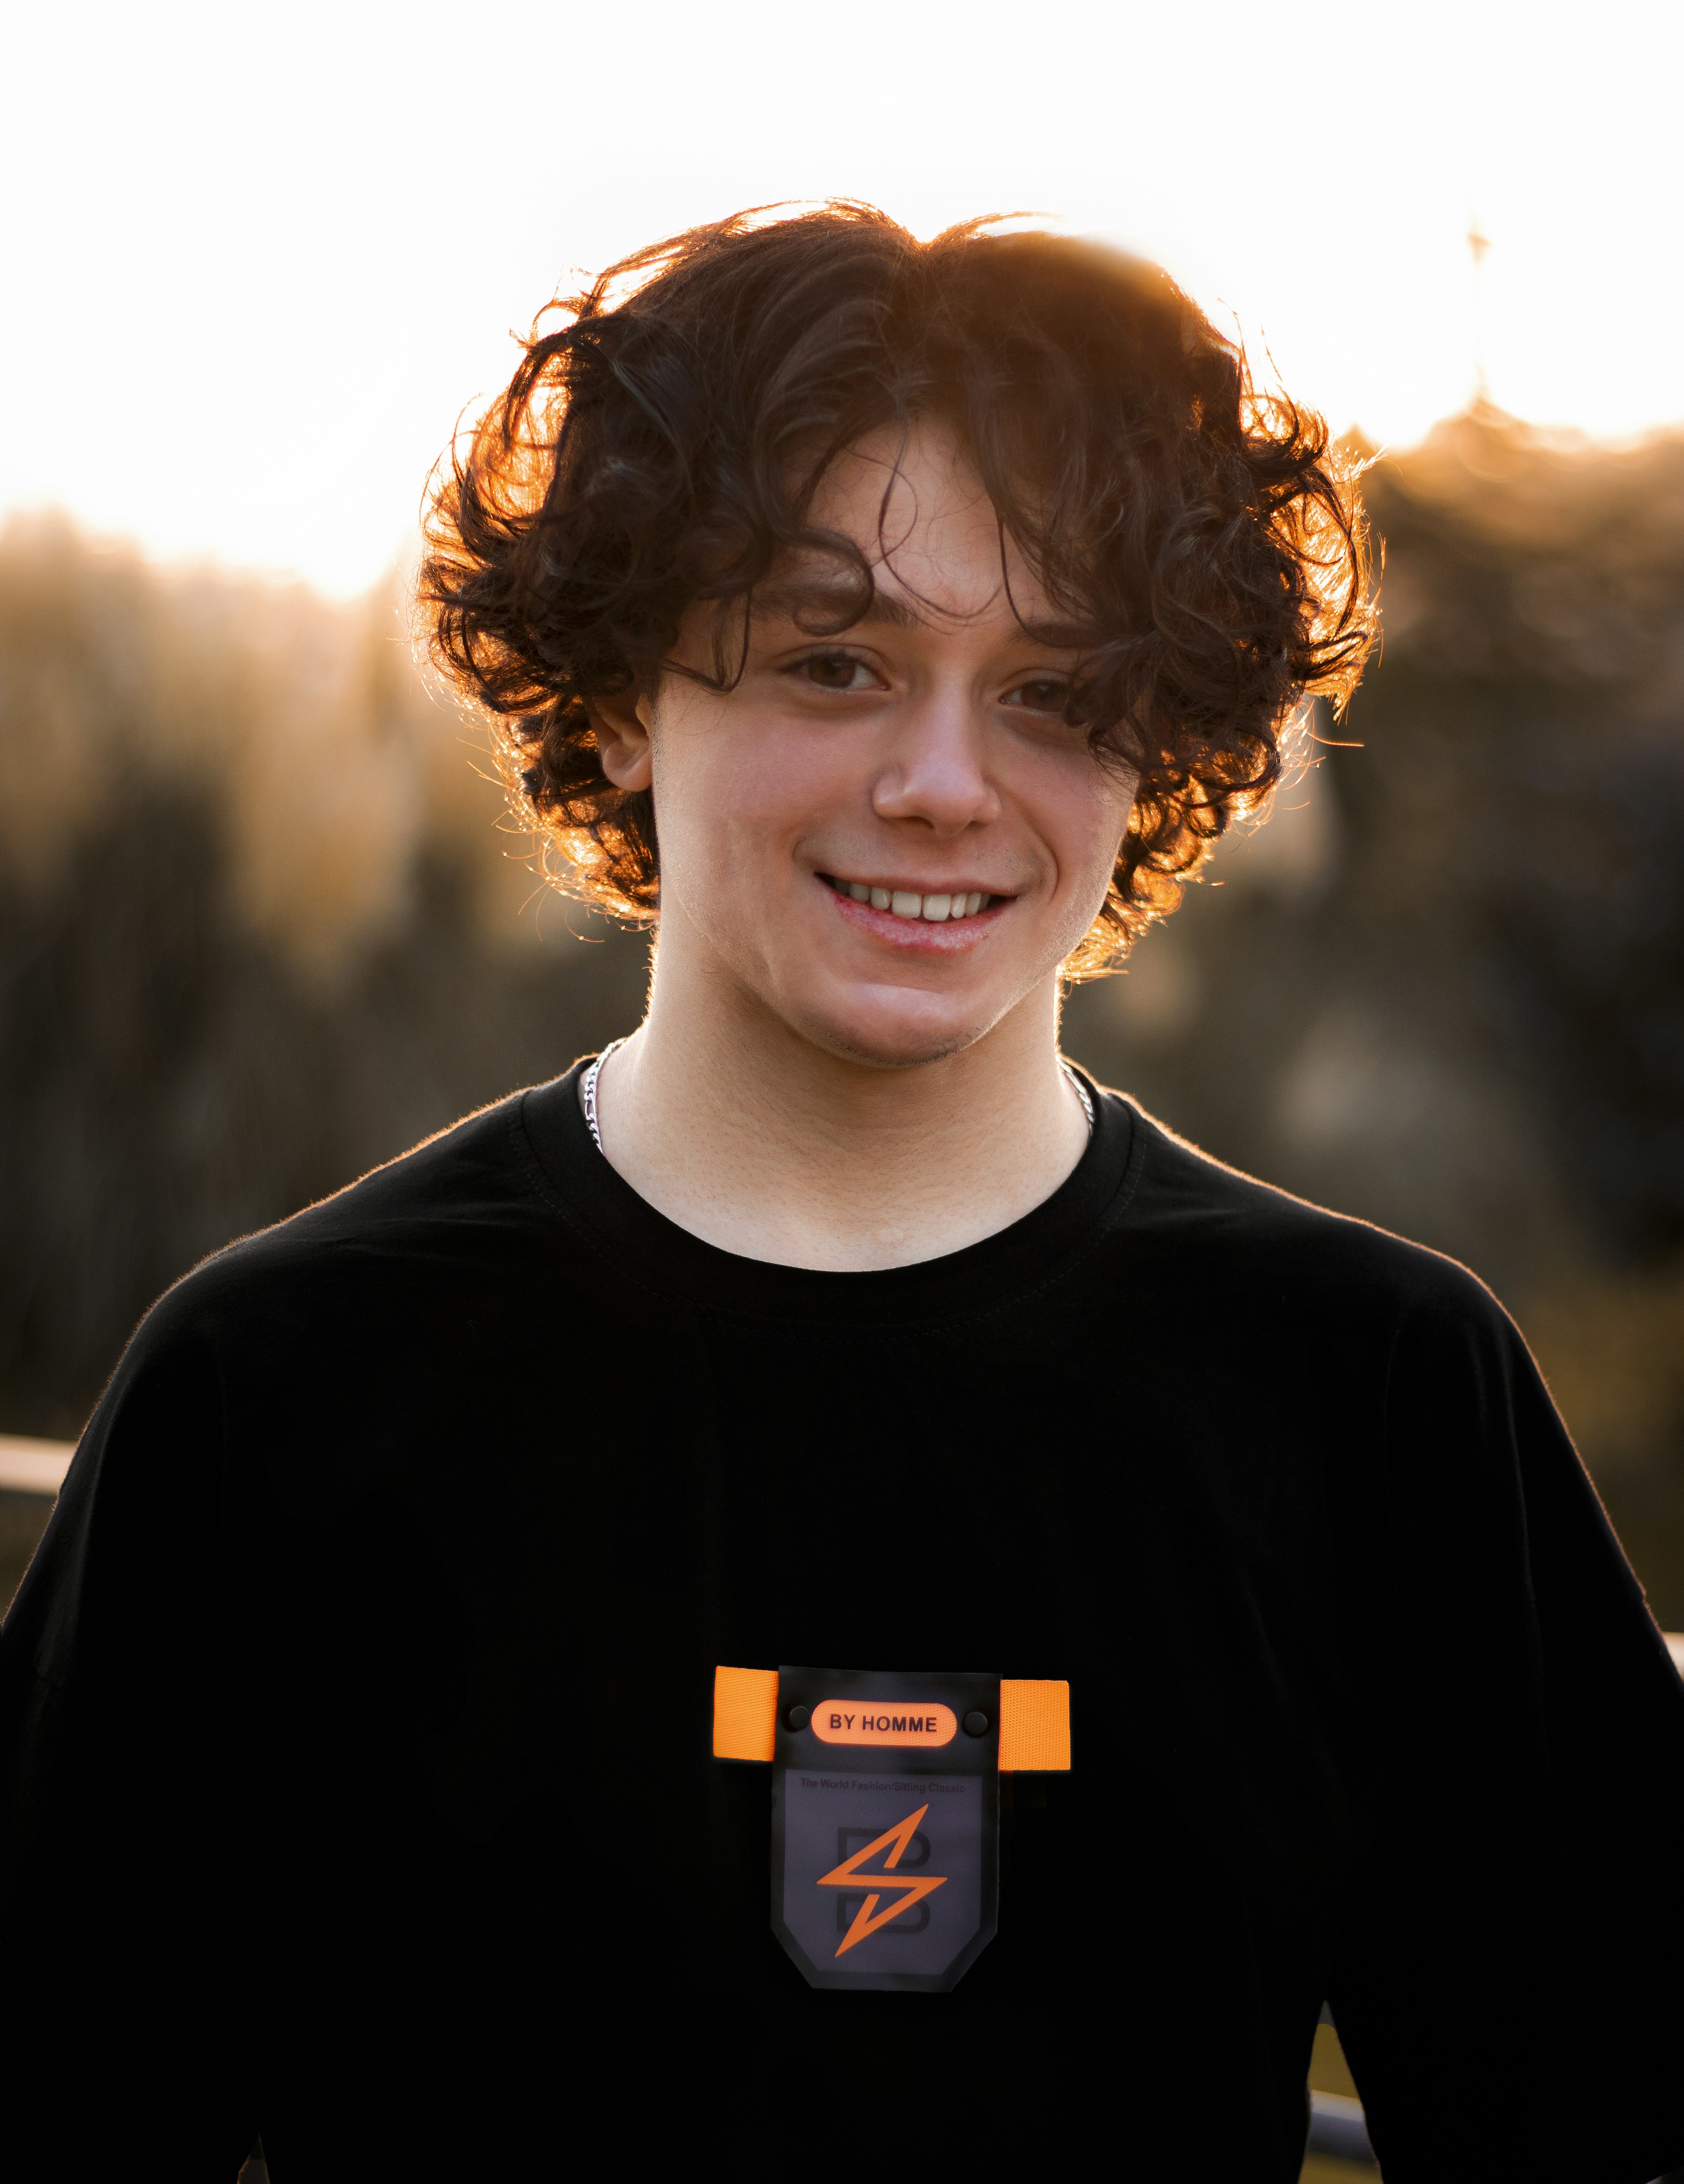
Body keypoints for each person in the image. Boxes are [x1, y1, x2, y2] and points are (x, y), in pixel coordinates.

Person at [2, 203, 1681, 2183]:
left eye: (1055, 690)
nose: (945, 780)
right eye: (834, 658)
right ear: (623, 698)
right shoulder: (276, 1391)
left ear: (1159, 745)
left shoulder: (1382, 1398)